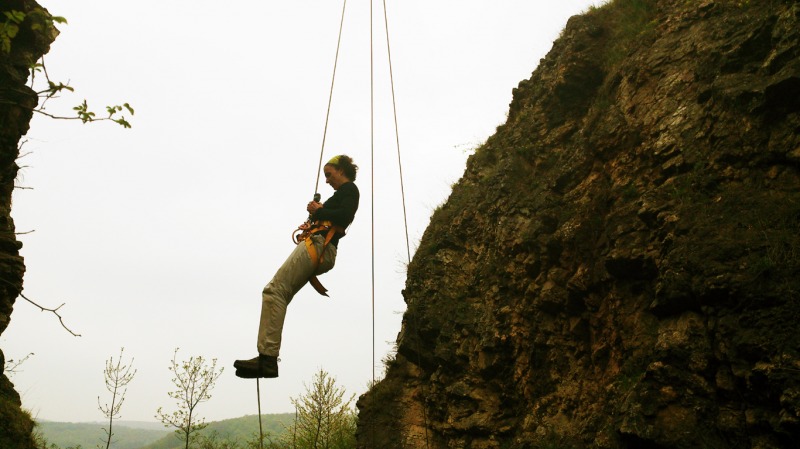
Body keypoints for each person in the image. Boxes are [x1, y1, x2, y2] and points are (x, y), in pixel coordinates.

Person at [234, 155, 360, 378]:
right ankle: (267, 357)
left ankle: (268, 359)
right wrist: (318, 212)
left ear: (341, 170)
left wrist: (319, 211)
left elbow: (345, 215)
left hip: (321, 245)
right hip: (320, 246)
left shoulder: (350, 190)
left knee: (275, 291)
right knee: (276, 293)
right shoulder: (341, 195)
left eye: (329, 175)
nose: (327, 180)